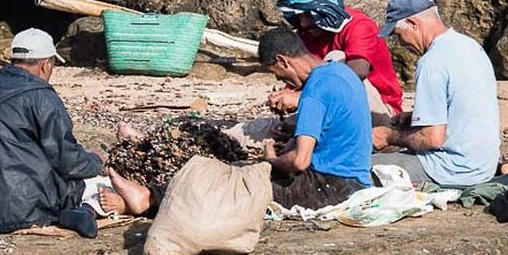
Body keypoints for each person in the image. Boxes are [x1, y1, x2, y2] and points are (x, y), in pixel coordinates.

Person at [101, 27, 374, 215]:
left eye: (277, 73)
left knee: (229, 181)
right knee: (238, 169)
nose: (281, 81)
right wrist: (294, 128)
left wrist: (271, 160)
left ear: (283, 60)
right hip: (354, 179)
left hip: (329, 187)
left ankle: (146, 199)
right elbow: (338, 123)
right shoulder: (340, 72)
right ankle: (150, 197)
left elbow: (300, 161)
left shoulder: (315, 91)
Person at [0, 28, 110, 237]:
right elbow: (67, 160)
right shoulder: (41, 97)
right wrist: (96, 161)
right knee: (99, 185)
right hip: (20, 211)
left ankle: (77, 211)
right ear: (46, 64)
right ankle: (81, 210)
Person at [371, 0, 501, 186]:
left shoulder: (431, 62)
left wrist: (388, 136)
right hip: (484, 165)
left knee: (357, 169)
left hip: (452, 170)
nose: (401, 43)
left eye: (398, 34)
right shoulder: (470, 46)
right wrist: (415, 115)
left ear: (413, 24)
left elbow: (432, 138)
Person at [271, 0, 403, 123]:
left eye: (308, 15)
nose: (304, 23)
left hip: (378, 113)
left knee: (336, 58)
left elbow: (356, 74)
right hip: (327, 108)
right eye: (299, 17)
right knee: (263, 131)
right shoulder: (306, 33)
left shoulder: (359, 26)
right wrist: (285, 94)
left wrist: (301, 98)